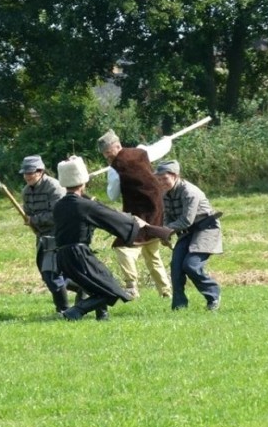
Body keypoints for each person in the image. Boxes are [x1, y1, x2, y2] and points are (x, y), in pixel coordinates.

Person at [53, 156, 171, 321]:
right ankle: (75, 312)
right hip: (78, 254)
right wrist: (133, 222)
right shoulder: (84, 205)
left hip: (63, 256)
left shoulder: (59, 205)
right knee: (112, 291)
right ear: (83, 182)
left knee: (102, 280)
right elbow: (109, 217)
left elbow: (97, 213)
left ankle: (103, 316)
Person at [97, 129, 172, 299]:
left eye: (109, 153)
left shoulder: (114, 169)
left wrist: (113, 177)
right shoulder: (141, 152)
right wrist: (167, 139)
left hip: (139, 215)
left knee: (123, 247)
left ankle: (131, 286)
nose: (108, 157)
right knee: (152, 254)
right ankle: (166, 292)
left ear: (117, 146)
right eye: (105, 155)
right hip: (157, 210)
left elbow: (112, 195)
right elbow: (160, 148)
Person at [154, 160, 222, 311]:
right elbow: (167, 216)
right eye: (158, 179)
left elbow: (186, 220)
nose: (161, 182)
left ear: (175, 176)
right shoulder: (165, 194)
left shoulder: (190, 192)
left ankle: (213, 294)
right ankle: (179, 307)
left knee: (191, 266)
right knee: (176, 268)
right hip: (187, 233)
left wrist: (165, 230)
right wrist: (165, 234)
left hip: (206, 230)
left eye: (164, 178)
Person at [20, 154, 77, 315]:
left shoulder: (54, 187)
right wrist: (31, 220)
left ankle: (64, 310)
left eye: (30, 172)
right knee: (50, 275)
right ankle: (83, 287)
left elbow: (58, 214)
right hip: (42, 238)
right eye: (25, 173)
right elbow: (28, 213)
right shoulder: (25, 191)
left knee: (50, 274)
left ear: (40, 171)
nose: (27, 176)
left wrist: (34, 220)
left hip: (58, 235)